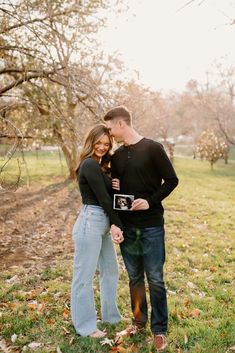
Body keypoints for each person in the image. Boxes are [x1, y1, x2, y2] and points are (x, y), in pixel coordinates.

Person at [104, 106, 179, 352]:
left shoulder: (153, 148)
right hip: (128, 227)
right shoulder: (115, 156)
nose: (110, 133)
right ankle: (138, 321)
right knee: (135, 278)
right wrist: (114, 186)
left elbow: (171, 180)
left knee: (155, 279)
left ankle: (159, 329)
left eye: (111, 127)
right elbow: (116, 191)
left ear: (121, 124)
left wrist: (150, 200)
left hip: (151, 227)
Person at [71, 124, 124, 338]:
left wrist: (115, 184)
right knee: (83, 277)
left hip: (100, 222)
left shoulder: (101, 166)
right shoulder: (89, 165)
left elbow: (108, 191)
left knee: (111, 270)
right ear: (90, 141)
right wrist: (116, 224)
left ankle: (111, 317)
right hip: (91, 222)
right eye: (98, 143)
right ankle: (85, 327)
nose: (102, 147)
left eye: (106, 143)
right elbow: (102, 198)